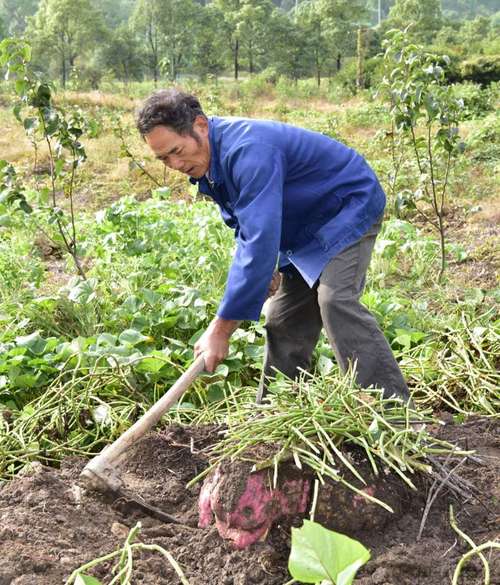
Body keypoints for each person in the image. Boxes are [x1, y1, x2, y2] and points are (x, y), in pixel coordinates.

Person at [136, 89, 411, 403]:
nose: (174, 164)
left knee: (335, 300)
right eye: (163, 159)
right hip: (302, 223)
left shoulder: (248, 150)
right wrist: (269, 266)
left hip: (344, 207)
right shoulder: (210, 162)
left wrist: (221, 329)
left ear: (200, 125)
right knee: (282, 317)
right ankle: (277, 409)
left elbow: (258, 240)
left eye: (176, 150)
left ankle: (392, 411)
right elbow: (247, 223)